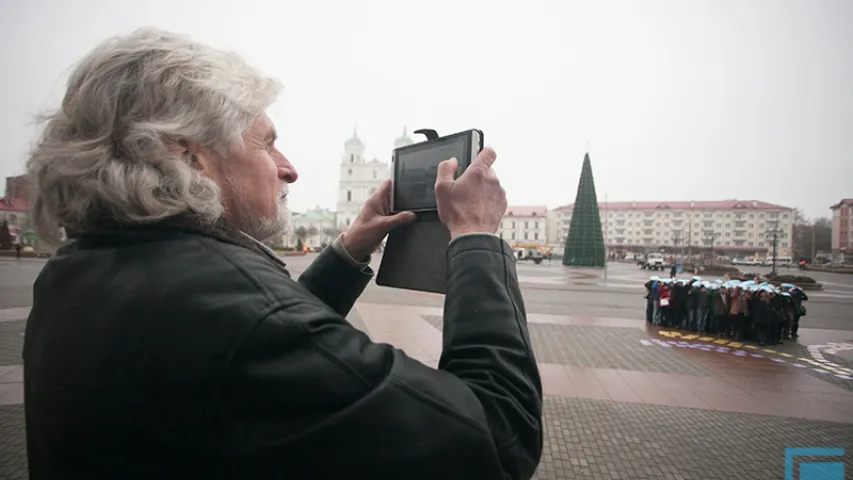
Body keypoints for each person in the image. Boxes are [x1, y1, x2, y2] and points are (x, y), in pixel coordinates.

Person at [22, 28, 543, 479]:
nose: (289, 168)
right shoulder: (238, 318)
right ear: (190, 158)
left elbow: (237, 350)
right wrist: (477, 236)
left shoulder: (79, 267)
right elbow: (496, 438)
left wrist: (349, 248)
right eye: (266, 144)